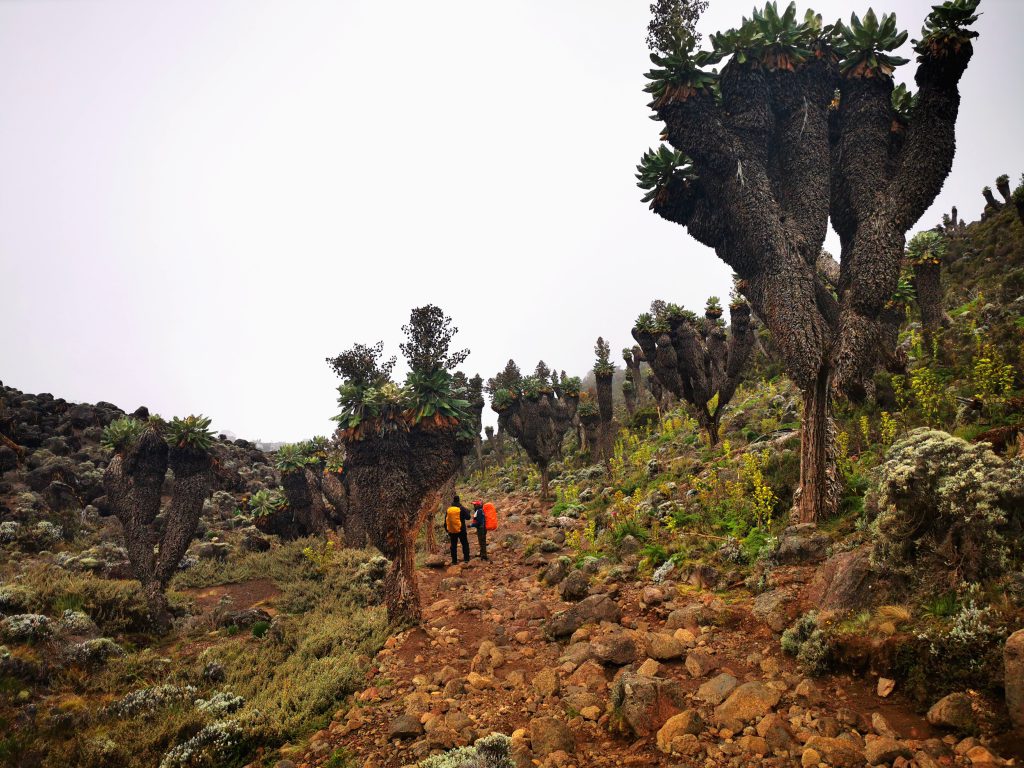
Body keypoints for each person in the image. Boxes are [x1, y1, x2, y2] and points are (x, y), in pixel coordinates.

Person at [445, 494, 471, 565]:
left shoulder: (449, 509)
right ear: (459, 500)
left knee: (453, 545)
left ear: (453, 501)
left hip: (452, 530)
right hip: (461, 529)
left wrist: (447, 530)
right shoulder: (461, 508)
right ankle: (466, 559)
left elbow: (446, 521)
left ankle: (454, 561)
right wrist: (467, 512)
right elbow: (468, 517)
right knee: (464, 543)